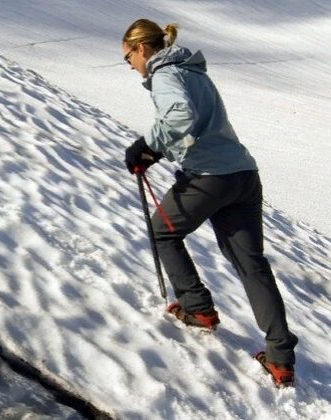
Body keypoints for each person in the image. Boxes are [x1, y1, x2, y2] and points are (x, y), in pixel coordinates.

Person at [121, 19, 298, 387]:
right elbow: (197, 124)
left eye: (128, 58)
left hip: (209, 178)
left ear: (141, 49)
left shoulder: (165, 73)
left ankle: (197, 307)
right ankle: (280, 358)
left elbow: (180, 116)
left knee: (162, 233)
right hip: (244, 176)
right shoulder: (192, 70)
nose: (131, 66)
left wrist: (146, 145)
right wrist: (159, 152)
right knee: (252, 265)